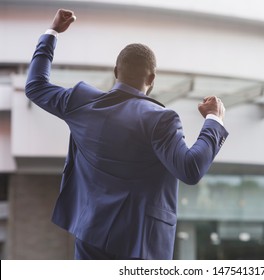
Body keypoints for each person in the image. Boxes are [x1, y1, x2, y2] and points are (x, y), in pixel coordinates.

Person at [25, 9, 228, 260]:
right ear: (151, 78)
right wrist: (214, 119)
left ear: (115, 71)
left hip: (90, 234)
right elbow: (191, 168)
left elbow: (35, 86)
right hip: (140, 244)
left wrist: (52, 32)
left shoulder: (80, 102)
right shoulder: (160, 119)